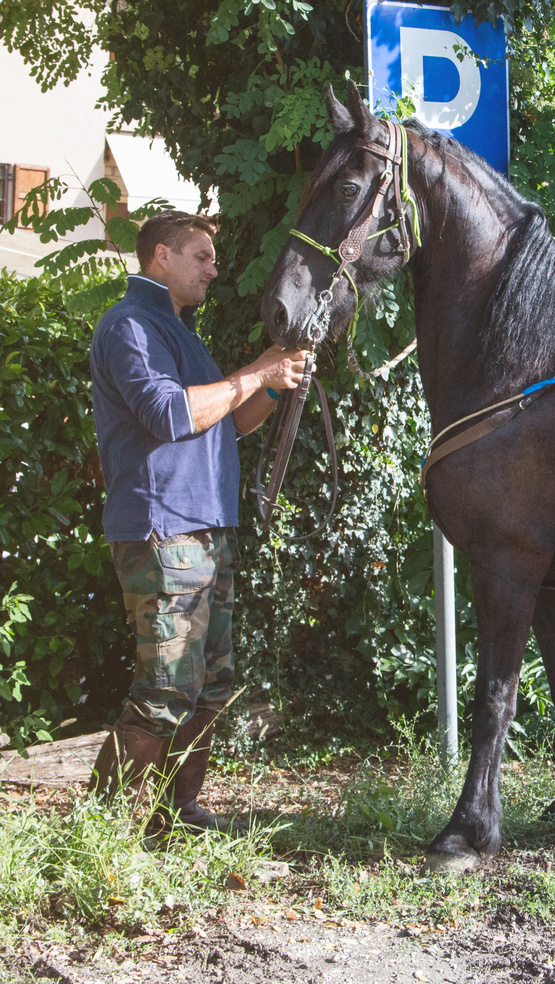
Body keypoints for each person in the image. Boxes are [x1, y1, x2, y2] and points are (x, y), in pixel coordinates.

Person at [88, 211, 312, 833]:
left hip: (205, 528)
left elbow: (232, 420)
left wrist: (274, 381)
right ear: (161, 256)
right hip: (164, 529)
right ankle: (105, 830)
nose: (215, 270)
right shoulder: (131, 324)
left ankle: (177, 812)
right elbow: (168, 415)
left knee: (209, 686)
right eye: (202, 257)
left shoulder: (179, 331)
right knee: (165, 687)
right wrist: (252, 374)